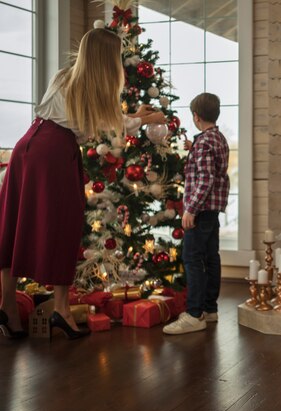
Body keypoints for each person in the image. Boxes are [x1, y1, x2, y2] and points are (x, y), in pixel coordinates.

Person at [0, 28, 165, 340]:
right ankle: (60, 310)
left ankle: (7, 307)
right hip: (54, 152)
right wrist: (145, 118)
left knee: (15, 222)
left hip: (29, 145)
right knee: (63, 224)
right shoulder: (96, 87)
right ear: (107, 58)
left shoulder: (66, 76)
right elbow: (112, 123)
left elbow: (100, 116)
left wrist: (132, 116)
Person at [163, 92, 229, 335]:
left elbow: (205, 179)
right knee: (211, 257)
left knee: (192, 258)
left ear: (196, 116)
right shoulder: (217, 138)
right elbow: (214, 169)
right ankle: (210, 309)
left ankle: (194, 314)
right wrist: (194, 149)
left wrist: (190, 209)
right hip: (213, 210)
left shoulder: (203, 143)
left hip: (200, 210)